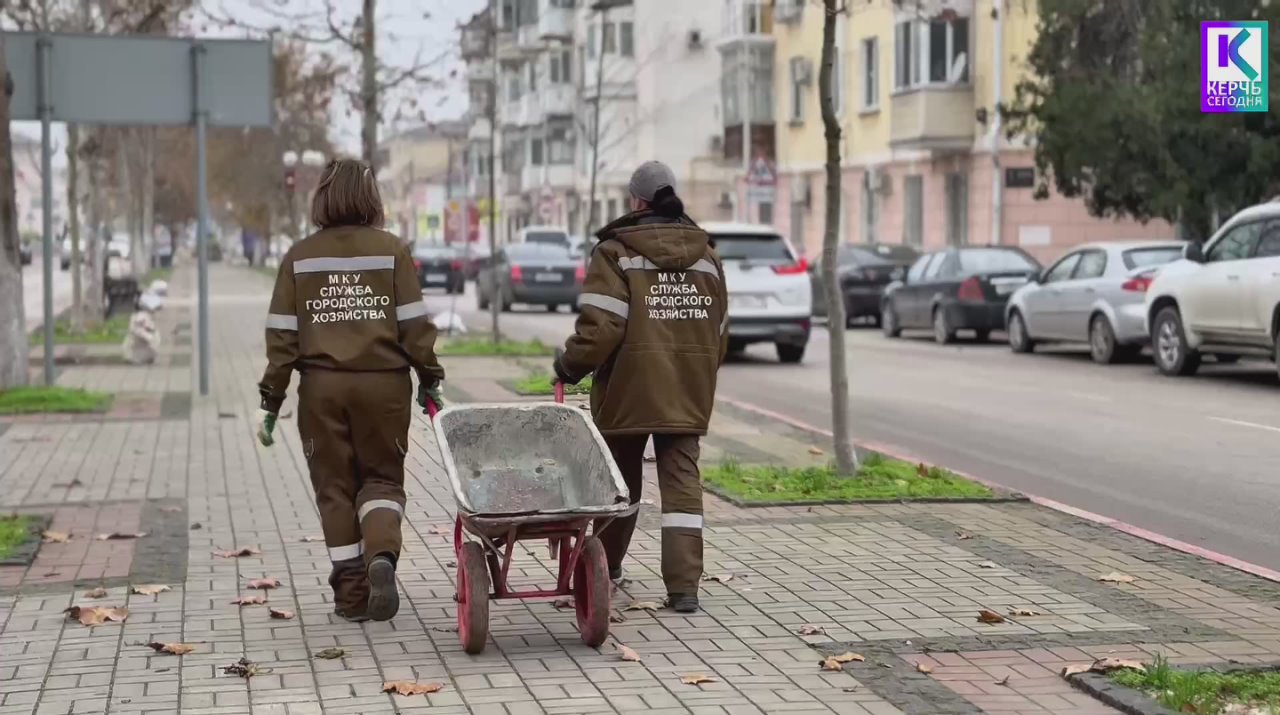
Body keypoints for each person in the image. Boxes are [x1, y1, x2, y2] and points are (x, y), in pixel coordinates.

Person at [256, 158, 445, 623]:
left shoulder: (299, 257)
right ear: (371, 199)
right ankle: (382, 554)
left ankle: (352, 596)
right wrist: (430, 378)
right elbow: (414, 327)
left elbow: (282, 338)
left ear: (322, 197)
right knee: (381, 478)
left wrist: (271, 401)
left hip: (322, 390)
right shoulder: (392, 251)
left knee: (335, 489)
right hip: (384, 388)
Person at [552, 160, 728, 614]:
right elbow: (720, 328)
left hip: (628, 388)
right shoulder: (707, 254)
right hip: (687, 388)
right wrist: (702, 372)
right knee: (682, 482)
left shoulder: (616, 253)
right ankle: (685, 587)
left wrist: (568, 368)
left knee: (620, 481)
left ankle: (605, 569)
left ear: (636, 201)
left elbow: (602, 329)